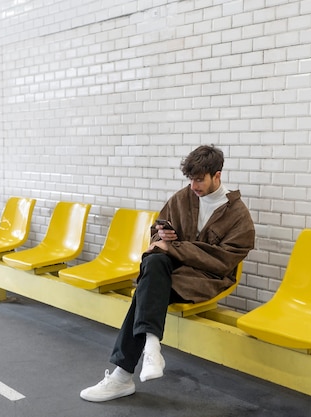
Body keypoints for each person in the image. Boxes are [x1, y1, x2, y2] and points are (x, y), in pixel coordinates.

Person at [79, 144, 256, 402]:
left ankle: (122, 375)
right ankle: (151, 349)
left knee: (146, 289)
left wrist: (177, 247)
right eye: (190, 179)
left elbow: (222, 261)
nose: (193, 186)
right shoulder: (182, 198)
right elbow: (156, 237)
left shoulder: (239, 215)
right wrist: (161, 235)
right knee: (153, 265)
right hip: (170, 271)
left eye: (199, 179)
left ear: (217, 175)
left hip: (205, 278)